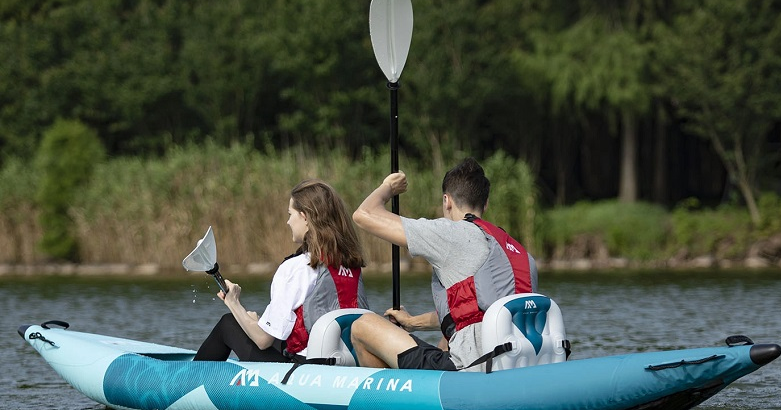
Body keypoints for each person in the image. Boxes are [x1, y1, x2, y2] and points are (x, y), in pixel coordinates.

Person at [350, 157, 537, 371]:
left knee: (362, 326)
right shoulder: (516, 249)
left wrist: (388, 187)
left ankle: (380, 403)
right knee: (447, 337)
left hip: (474, 367)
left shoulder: (452, 234)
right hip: (516, 361)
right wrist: (412, 323)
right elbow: (475, 311)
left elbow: (363, 215)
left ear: (447, 200)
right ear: (485, 204)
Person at [194, 179, 368, 362]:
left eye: (290, 214)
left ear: (305, 217)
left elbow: (263, 340)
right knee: (250, 322)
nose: (287, 222)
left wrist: (233, 303)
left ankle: (189, 382)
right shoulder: (350, 266)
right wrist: (250, 320)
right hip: (342, 363)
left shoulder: (297, 267)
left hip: (304, 368)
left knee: (228, 324)